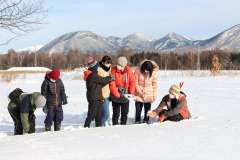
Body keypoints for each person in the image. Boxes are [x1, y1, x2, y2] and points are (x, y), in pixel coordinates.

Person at [84, 57, 114, 128]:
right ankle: (86, 126)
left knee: (98, 114)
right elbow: (102, 80)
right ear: (94, 67)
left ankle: (99, 127)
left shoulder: (94, 74)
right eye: (97, 65)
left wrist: (108, 80)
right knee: (91, 114)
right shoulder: (93, 75)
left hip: (98, 97)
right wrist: (110, 78)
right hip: (94, 98)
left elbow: (99, 83)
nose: (98, 67)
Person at [110, 56, 135, 125]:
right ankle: (115, 124)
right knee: (116, 113)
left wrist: (131, 93)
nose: (118, 66)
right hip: (116, 96)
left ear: (124, 66)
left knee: (125, 113)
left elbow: (132, 82)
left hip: (125, 96)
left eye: (120, 65)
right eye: (117, 65)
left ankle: (123, 125)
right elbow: (112, 84)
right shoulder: (113, 71)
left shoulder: (129, 71)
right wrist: (116, 94)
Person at [98, 56, 112, 126]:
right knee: (106, 113)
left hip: (107, 93)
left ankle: (102, 124)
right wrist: (109, 79)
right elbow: (99, 82)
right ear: (103, 62)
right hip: (102, 94)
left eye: (109, 63)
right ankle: (101, 125)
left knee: (106, 112)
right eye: (107, 63)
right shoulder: (99, 70)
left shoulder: (109, 69)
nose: (108, 64)